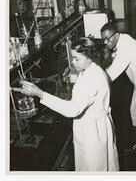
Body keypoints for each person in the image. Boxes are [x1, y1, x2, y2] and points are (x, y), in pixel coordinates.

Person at [21, 37, 119, 171]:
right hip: (93, 126)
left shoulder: (92, 77)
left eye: (76, 59)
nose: (73, 62)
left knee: (95, 167)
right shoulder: (91, 70)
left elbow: (72, 109)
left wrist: (40, 93)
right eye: (73, 58)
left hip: (92, 131)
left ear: (90, 57)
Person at [100, 23, 136, 151]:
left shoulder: (126, 47)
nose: (105, 42)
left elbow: (110, 75)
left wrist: (94, 77)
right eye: (103, 39)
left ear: (116, 34)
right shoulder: (123, 39)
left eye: (108, 39)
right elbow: (114, 58)